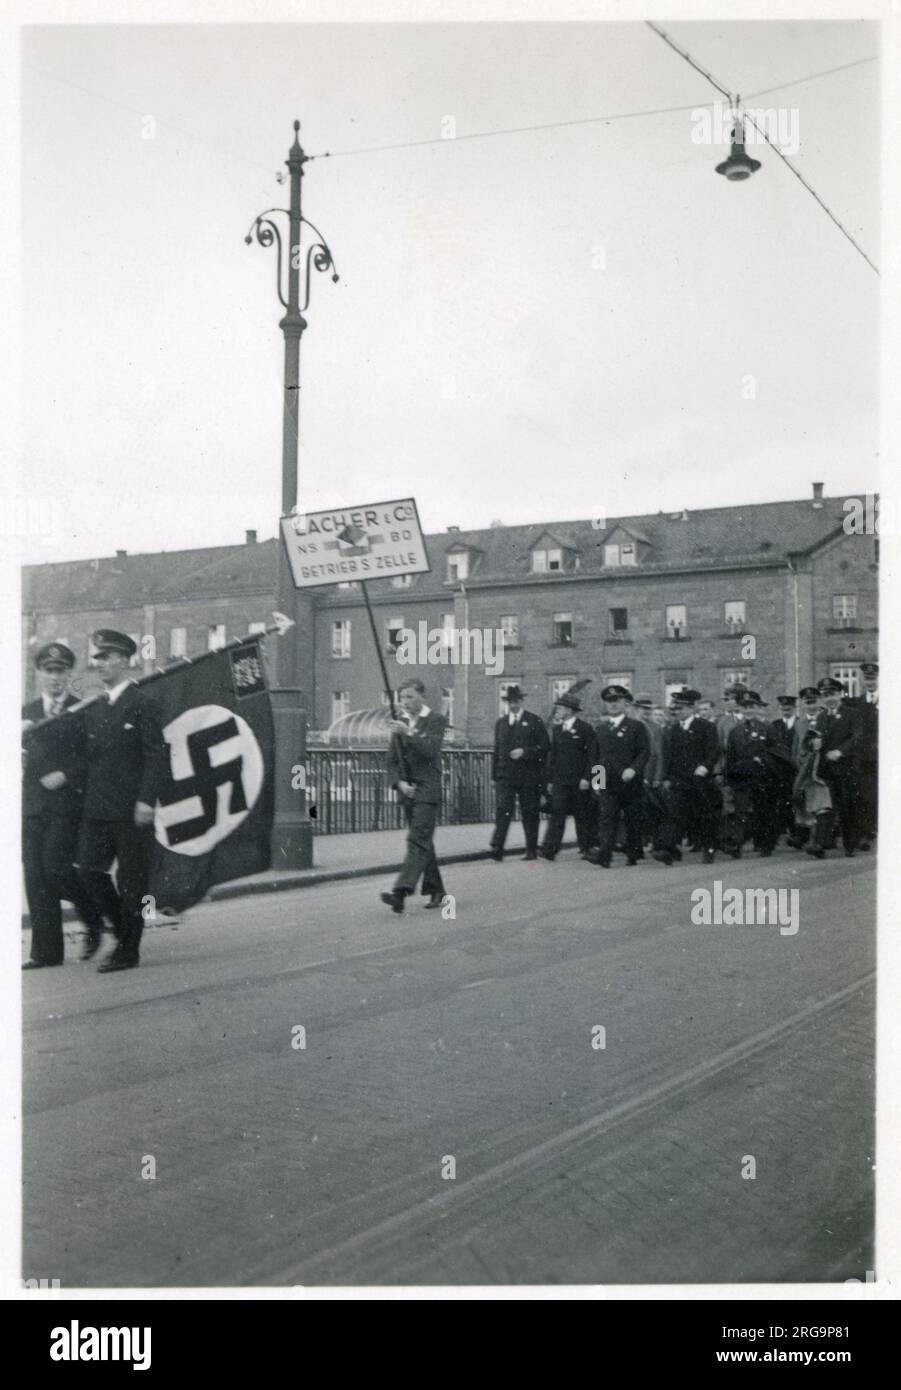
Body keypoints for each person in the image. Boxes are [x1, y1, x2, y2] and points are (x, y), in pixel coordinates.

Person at [77, 630, 168, 972]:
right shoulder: (97, 708)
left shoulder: (143, 703)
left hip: (132, 810)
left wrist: (147, 800)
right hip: (98, 808)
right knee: (88, 871)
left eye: (107, 657)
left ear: (125, 661)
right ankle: (122, 927)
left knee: (131, 881)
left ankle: (128, 950)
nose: (100, 663)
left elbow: (156, 756)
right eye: (98, 657)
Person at [21, 643, 104, 969]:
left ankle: (92, 913)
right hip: (32, 806)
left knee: (55, 868)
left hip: (66, 805)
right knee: (35, 876)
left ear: (69, 674)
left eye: (61, 671)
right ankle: (46, 952)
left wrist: (66, 774)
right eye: (49, 671)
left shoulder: (80, 710)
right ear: (39, 673)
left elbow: (92, 758)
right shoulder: (25, 713)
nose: (55, 678)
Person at [380, 679, 448, 913]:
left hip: (428, 789)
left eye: (409, 697)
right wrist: (399, 783)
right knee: (423, 841)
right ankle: (436, 889)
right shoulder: (401, 723)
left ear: (422, 697)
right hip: (408, 790)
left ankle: (400, 892)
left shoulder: (436, 720)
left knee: (417, 838)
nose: (405, 702)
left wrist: (408, 731)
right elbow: (391, 761)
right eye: (402, 698)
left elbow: (430, 750)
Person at [652, 688, 721, 866]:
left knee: (705, 816)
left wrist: (705, 766)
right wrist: (666, 777)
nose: (678, 713)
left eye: (681, 709)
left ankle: (709, 849)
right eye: (676, 710)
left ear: (691, 709)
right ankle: (667, 850)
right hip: (679, 781)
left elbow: (714, 751)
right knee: (674, 814)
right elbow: (668, 756)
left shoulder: (706, 727)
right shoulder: (673, 730)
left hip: (700, 780)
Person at [489, 684, 549, 862]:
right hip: (505, 776)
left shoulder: (534, 721)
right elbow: (497, 750)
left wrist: (525, 752)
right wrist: (494, 776)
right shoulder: (501, 723)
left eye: (515, 701)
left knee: (529, 812)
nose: (513, 705)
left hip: (528, 776)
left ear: (521, 701)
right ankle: (497, 848)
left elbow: (545, 747)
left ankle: (531, 849)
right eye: (509, 702)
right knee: (503, 811)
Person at [591, 686, 650, 867]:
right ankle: (604, 856)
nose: (613, 705)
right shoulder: (600, 729)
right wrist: (596, 781)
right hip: (608, 783)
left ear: (625, 703)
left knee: (633, 820)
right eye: (610, 702)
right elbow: (596, 757)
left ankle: (633, 853)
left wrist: (633, 769)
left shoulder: (636, 727)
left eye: (617, 701)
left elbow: (644, 752)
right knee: (608, 818)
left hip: (630, 783)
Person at [724, 691, 784, 857]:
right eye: (745, 707)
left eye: (751, 706)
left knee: (763, 812)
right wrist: (729, 776)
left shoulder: (767, 728)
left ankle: (766, 844)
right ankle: (736, 845)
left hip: (763, 777)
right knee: (742, 812)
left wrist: (762, 759)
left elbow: (778, 752)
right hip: (742, 777)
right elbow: (730, 755)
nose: (748, 710)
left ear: (757, 708)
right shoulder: (735, 731)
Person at [539, 690, 596, 861]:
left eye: (561, 708)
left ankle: (586, 848)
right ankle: (550, 849)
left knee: (582, 815)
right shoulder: (557, 730)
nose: (557, 710)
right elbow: (553, 756)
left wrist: (588, 778)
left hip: (579, 781)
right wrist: (549, 780)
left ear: (570, 710)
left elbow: (592, 756)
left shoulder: (585, 729)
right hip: (560, 781)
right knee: (557, 813)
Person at [811, 676, 862, 857]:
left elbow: (856, 737)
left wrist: (840, 751)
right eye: (825, 695)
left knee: (847, 806)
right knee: (826, 806)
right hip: (826, 770)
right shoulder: (822, 717)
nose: (829, 698)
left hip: (846, 767)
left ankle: (850, 845)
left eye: (832, 693)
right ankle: (820, 844)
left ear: (840, 694)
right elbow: (817, 739)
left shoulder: (852, 713)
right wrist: (815, 744)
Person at [843, 661, 878, 850]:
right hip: (865, 759)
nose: (870, 682)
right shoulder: (857, 703)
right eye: (867, 679)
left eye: (873, 678)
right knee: (866, 796)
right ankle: (867, 833)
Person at [771, 695, 799, 843]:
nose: (786, 711)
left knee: (797, 800)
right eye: (783, 709)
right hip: (780, 770)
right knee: (783, 801)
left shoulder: (800, 723)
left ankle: (798, 831)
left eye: (789, 709)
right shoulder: (775, 725)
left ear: (794, 708)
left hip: (796, 768)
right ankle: (788, 831)